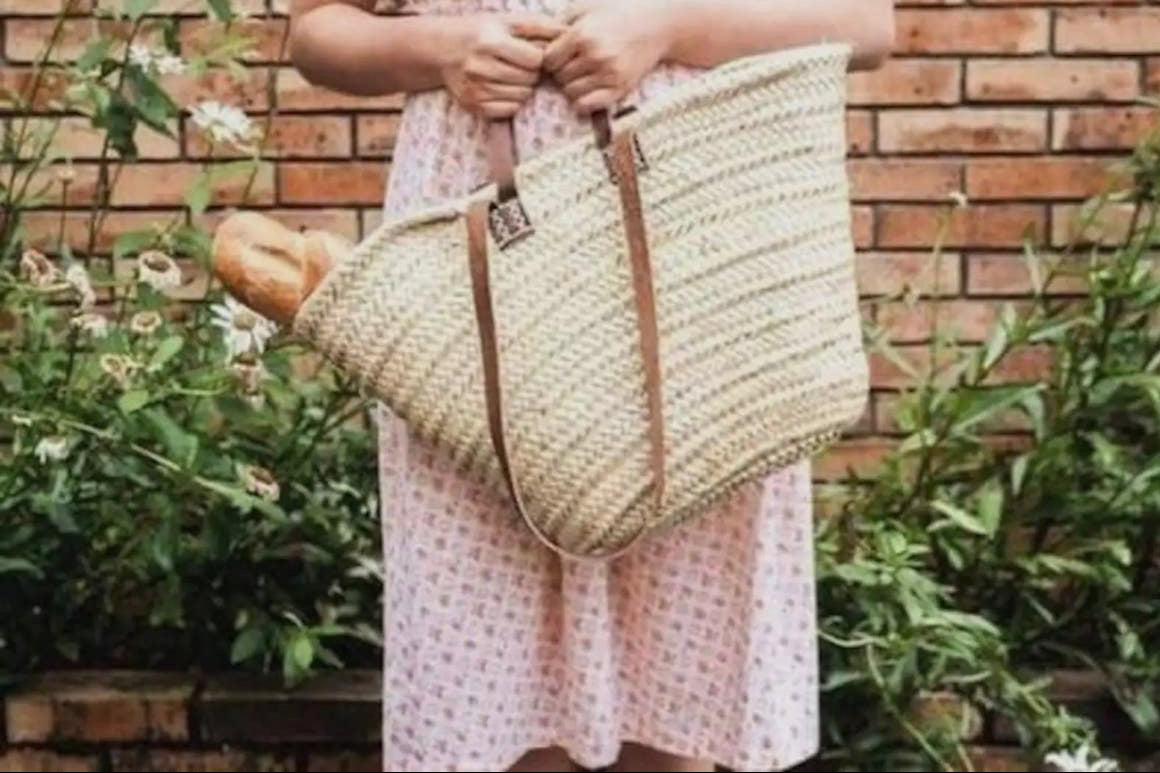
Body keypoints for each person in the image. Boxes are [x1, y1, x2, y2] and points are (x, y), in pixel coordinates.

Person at [286, 2, 894, 771]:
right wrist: (437, 45)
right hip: (473, 285)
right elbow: (315, 31)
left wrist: (670, 27)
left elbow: (865, 23)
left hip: (689, 254)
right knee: (494, 698)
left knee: (678, 696)